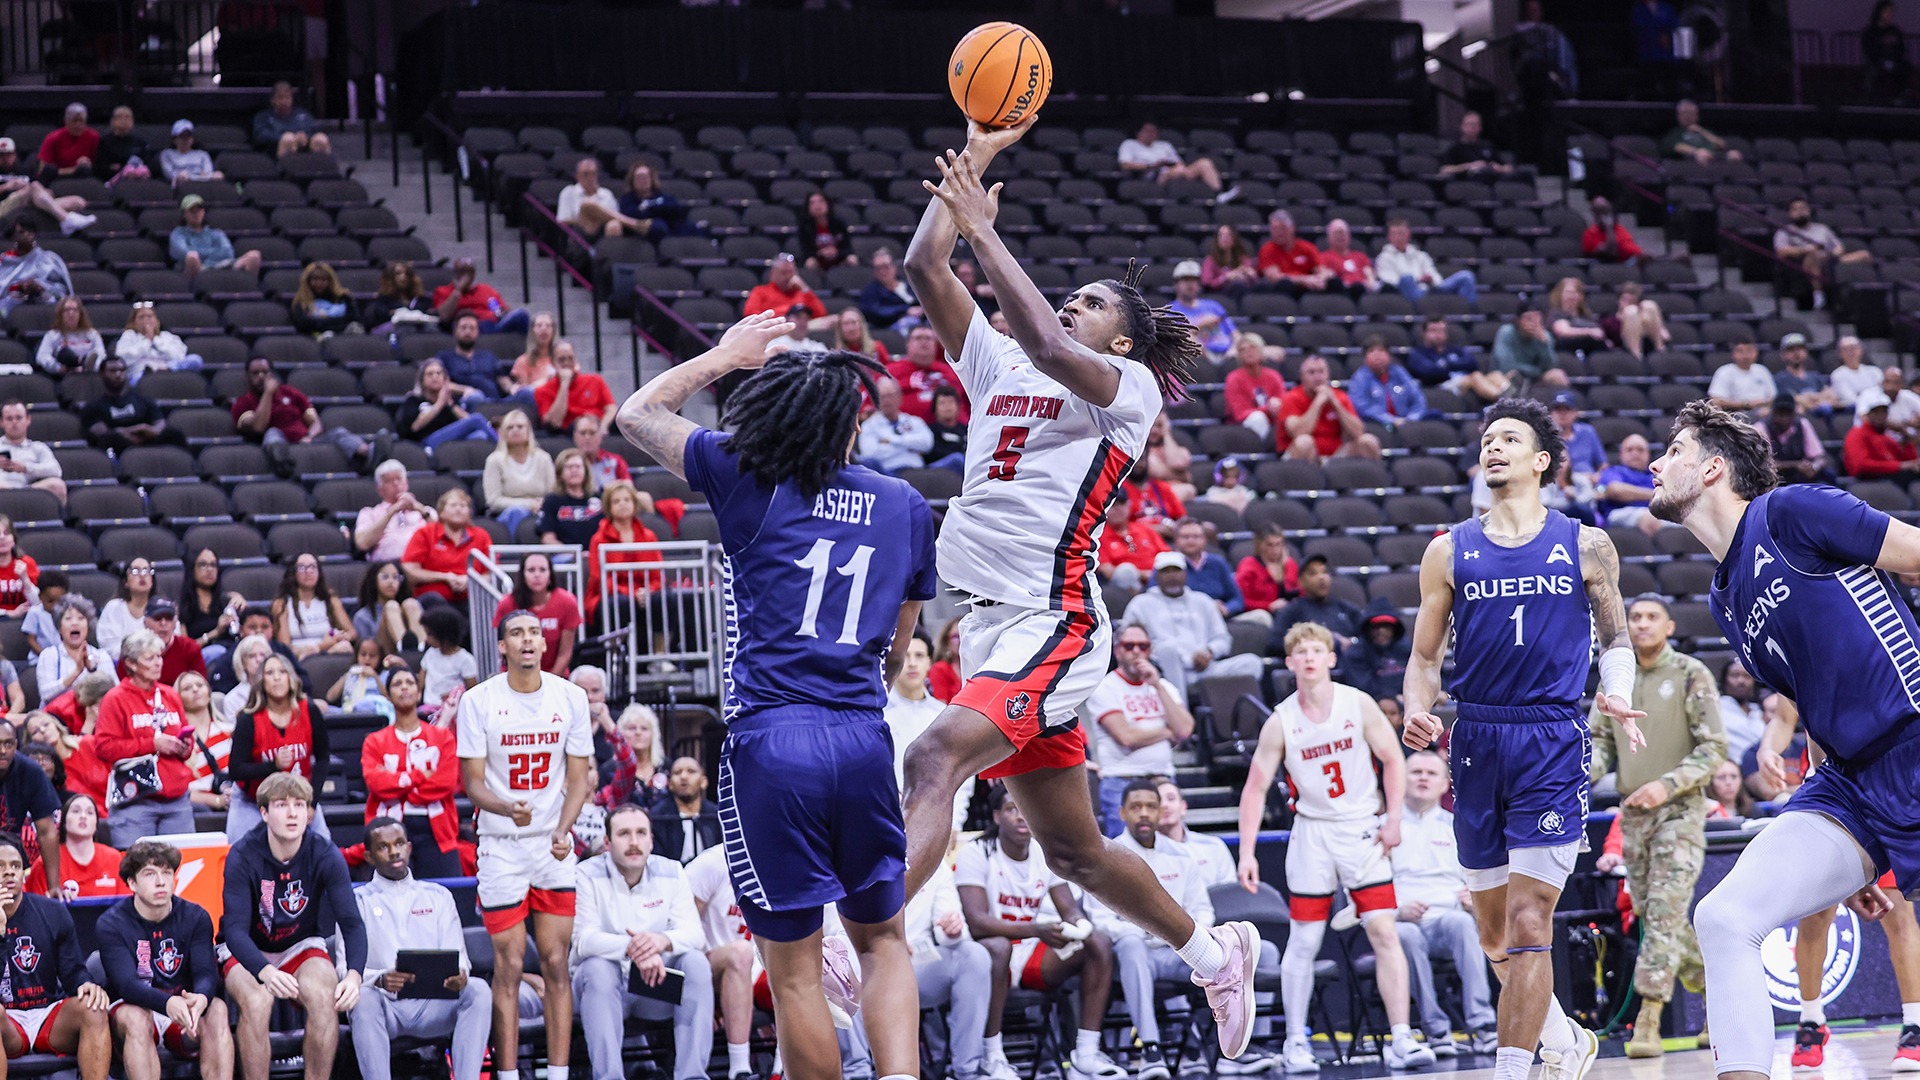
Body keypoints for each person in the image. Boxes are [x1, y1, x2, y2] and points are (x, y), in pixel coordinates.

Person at [900, 122, 1260, 1065]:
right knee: (1076, 853)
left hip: (1056, 622)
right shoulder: (997, 364)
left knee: (936, 757)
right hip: (989, 628)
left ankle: (852, 938)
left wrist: (987, 232)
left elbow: (1056, 349)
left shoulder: (1124, 388)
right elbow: (922, 266)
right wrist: (972, 159)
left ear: (1126, 337)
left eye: (1093, 301)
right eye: (1073, 296)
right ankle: (1214, 951)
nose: (1073, 304)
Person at [614, 294, 939, 1080]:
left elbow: (637, 413)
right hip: (862, 735)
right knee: (884, 940)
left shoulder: (745, 476)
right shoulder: (904, 505)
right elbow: (899, 652)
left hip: (773, 741)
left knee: (792, 971)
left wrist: (727, 355)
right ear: (851, 422)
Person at [1644, 400, 1920, 1080]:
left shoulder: (1792, 512)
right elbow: (1809, 696)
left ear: (1712, 468)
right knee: (1724, 916)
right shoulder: (1723, 597)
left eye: (1671, 451)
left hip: (1913, 736)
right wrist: (1850, 847)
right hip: (1849, 783)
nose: (1655, 462)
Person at [1401, 397, 1644, 1080]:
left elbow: (1617, 636)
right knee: (1494, 935)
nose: (1493, 447)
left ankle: (1514, 1067)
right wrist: (1418, 709)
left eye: (1509, 438)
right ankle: (1565, 1037)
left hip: (1551, 736)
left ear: (1541, 461)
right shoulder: (1447, 549)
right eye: (1486, 439)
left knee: (1531, 922)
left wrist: (1617, 692)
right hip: (1475, 736)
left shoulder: (1586, 543)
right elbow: (1423, 661)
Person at [1239, 622, 1432, 1072]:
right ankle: (1295, 1042)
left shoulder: (1357, 703)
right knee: (1304, 940)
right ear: (1289, 663)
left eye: (1316, 650)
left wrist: (1395, 817)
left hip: (1362, 828)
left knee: (1385, 931)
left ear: (1330, 658)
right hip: (1312, 833)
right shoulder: (1281, 720)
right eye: (1300, 652)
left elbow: (1391, 758)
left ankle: (1401, 1037)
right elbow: (1253, 789)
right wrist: (1247, 852)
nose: (1308, 658)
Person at [456, 607, 595, 1080]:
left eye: (535, 631)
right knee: (509, 964)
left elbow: (579, 780)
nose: (528, 640)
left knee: (557, 961)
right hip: (500, 843)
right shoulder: (477, 701)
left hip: (551, 844)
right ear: (502, 646)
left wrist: (564, 829)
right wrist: (501, 806)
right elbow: (472, 784)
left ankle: (558, 1074)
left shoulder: (571, 696)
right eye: (517, 633)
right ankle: (510, 1074)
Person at [1587, 594, 1722, 1056]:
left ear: (1668, 626)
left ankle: (1647, 1019)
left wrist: (1666, 786)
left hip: (1681, 811)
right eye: (1634, 618)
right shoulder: (1615, 681)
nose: (1641, 625)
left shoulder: (1690, 673)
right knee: (1657, 918)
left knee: (1662, 913)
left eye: (1651, 618)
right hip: (1632, 815)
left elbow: (1713, 748)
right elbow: (1601, 746)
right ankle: (1718, 999)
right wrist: (1572, 777)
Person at [956, 784, 1125, 1080]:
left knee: (1097, 942)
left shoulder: (1042, 852)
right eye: (1012, 809)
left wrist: (1080, 927)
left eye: (1025, 809)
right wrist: (1035, 928)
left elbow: (1069, 909)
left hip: (1031, 949)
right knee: (998, 947)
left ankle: (1085, 1053)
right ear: (997, 817)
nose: (1021, 817)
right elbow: (977, 922)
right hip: (986, 954)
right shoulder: (976, 852)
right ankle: (991, 1056)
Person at [1085, 779, 1232, 1077]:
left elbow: (1203, 909)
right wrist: (1147, 932)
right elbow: (1098, 918)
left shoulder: (1181, 855)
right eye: (1136, 807)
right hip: (1130, 956)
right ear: (1122, 812)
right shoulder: (1107, 857)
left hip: (1176, 953)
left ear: (1159, 812)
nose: (1143, 813)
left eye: (1150, 806)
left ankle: (1234, 1049)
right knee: (1130, 944)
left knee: (1240, 954)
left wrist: (1183, 937)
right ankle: (1151, 1047)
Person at [220, 772, 361, 1080]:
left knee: (325, 997)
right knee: (257, 1001)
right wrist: (264, 970)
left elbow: (351, 922)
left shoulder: (324, 852)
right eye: (282, 805)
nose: (293, 812)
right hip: (248, 946)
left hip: (299, 944)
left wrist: (354, 975)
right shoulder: (243, 854)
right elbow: (233, 929)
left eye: (300, 804)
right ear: (264, 812)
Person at [571, 804, 714, 1080]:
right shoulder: (585, 874)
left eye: (641, 833)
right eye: (624, 834)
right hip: (600, 992)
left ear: (651, 840)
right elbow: (583, 940)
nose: (634, 842)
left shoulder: (672, 871)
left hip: (654, 988)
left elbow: (695, 934)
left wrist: (660, 941)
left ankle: (693, 1076)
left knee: (695, 962)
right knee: (597, 968)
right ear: (608, 842)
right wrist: (632, 948)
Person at [351, 817, 489, 1080]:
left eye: (399, 843)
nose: (394, 852)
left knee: (478, 990)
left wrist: (460, 975)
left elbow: (459, 957)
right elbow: (344, 970)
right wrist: (379, 979)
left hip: (433, 1004)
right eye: (383, 847)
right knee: (362, 997)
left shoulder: (438, 896)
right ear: (368, 856)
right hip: (384, 1006)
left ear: (410, 848)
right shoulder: (356, 902)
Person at [1391, 751, 1498, 1056]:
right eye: (1415, 772)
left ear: (1444, 785)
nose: (1423, 777)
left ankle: (1483, 1025)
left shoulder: (1458, 827)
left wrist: (1473, 899)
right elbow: (1361, 889)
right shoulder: (1384, 826)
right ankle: (1435, 1029)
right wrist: (1397, 911)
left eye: (1431, 773)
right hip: (1399, 921)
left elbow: (1477, 879)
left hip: (1447, 918)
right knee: (1406, 936)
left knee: (1464, 924)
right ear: (1401, 779)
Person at [97, 840, 233, 1080]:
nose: (161, 881)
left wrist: (201, 997)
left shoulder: (196, 916)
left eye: (167, 873)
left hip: (180, 1012)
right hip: (133, 1008)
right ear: (132, 883)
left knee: (217, 1009)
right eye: (150, 874)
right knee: (136, 1018)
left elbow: (205, 972)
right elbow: (126, 986)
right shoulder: (111, 923)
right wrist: (167, 1003)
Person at [1085, 626, 1193, 837]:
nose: (1136, 651)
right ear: (1117, 651)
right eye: (1129, 646)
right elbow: (1126, 737)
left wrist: (1157, 686)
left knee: (1170, 849)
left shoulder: (1163, 687)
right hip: (1122, 782)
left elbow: (1185, 729)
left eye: (1143, 646)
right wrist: (1168, 731)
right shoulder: (1105, 687)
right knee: (1126, 856)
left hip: (1164, 781)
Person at [94, 629, 198, 846]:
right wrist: (152, 744)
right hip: (136, 803)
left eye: (159, 656)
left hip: (176, 801)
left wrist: (184, 746)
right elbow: (104, 747)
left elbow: (187, 737)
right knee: (136, 869)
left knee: (182, 871)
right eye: (150, 658)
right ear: (131, 663)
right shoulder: (115, 699)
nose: (158, 663)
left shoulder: (170, 694)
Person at [1121, 552, 1264, 702]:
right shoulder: (1140, 604)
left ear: (1185, 574)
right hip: (1164, 671)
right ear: (1156, 576)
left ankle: (1236, 716)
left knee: (1252, 663)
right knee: (1168, 649)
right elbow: (1127, 641)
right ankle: (1180, 712)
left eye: (1176, 570)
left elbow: (1222, 638)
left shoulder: (1203, 601)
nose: (1172, 576)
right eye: (1166, 571)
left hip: (1205, 669)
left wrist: (1209, 652)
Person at [227, 653, 332, 839]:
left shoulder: (309, 710)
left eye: (282, 671)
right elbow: (235, 770)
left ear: (291, 679)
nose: (276, 677)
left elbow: (323, 757)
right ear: (261, 681)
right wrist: (272, 766)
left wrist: (311, 803)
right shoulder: (248, 719)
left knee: (326, 849)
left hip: (300, 798)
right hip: (253, 801)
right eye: (270, 672)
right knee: (238, 855)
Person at [232, 356, 374, 477]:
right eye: (255, 373)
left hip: (307, 440)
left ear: (272, 374)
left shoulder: (290, 393)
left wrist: (310, 436)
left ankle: (367, 453)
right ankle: (282, 463)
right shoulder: (243, 403)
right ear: (247, 377)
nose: (261, 377)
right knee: (272, 433)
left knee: (338, 432)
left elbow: (316, 422)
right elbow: (258, 427)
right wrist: (268, 394)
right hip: (281, 442)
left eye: (265, 372)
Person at [582, 480, 663, 623]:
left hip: (644, 593)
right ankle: (616, 645)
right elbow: (599, 579)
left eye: (627, 499)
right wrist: (630, 593)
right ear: (608, 507)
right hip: (610, 595)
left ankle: (675, 645)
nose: (623, 504)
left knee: (673, 599)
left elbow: (657, 576)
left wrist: (648, 591)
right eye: (616, 501)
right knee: (622, 604)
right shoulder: (598, 539)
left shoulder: (649, 536)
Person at [1774, 199, 1871, 312]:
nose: (1800, 211)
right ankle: (1819, 297)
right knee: (1814, 255)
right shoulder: (1785, 231)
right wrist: (1806, 249)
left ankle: (1866, 295)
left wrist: (1833, 254)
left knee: (1864, 255)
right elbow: (1781, 251)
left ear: (1809, 211)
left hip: (1829, 260)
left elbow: (1839, 247)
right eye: (1796, 209)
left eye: (1803, 208)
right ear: (1790, 213)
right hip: (1803, 263)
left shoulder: (1821, 229)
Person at [492, 551, 580, 676]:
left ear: (550, 575)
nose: (537, 575)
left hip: (555, 677)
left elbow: (565, 654)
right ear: (523, 575)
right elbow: (504, 650)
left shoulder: (567, 602)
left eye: (542, 570)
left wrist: (548, 683)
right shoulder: (507, 604)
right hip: (515, 677)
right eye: (531, 570)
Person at [1279, 353, 1380, 461]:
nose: (1317, 377)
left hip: (1336, 456)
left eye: (1321, 372)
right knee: (1304, 442)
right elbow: (1298, 433)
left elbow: (1358, 432)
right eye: (1311, 372)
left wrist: (1335, 404)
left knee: (1368, 441)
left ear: (1328, 375)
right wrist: (1318, 403)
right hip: (1303, 455)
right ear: (1302, 377)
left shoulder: (1340, 397)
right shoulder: (1291, 398)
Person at [28, 791, 121, 899]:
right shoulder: (47, 862)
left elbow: (126, 905)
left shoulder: (115, 859)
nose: (83, 816)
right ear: (63, 822)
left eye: (90, 813)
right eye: (76, 811)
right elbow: (37, 908)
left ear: (96, 824)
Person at [81, 356, 182, 451]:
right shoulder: (93, 406)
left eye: (121, 370)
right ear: (102, 374)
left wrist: (152, 431)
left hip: (147, 442)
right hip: (118, 447)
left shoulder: (144, 400)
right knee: (110, 439)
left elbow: (160, 423)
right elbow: (102, 433)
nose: (118, 374)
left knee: (173, 434)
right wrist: (136, 429)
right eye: (112, 371)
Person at [1268, 554, 1364, 654]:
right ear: (1301, 582)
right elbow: (1275, 644)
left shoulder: (1345, 608)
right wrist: (1319, 644)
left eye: (1325, 572)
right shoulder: (1292, 610)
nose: (1321, 577)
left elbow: (1368, 636)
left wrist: (1352, 643)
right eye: (1313, 573)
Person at [396, 359, 496, 453]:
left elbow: (467, 421)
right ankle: (504, 448)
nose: (435, 377)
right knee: (477, 418)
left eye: (439, 373)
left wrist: (450, 404)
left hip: (452, 440)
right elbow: (415, 427)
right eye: (430, 374)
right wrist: (439, 403)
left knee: (480, 435)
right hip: (426, 443)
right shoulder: (413, 400)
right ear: (422, 380)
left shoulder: (450, 400)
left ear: (445, 379)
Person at [485, 410, 556, 538]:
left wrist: (543, 504)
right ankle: (513, 555)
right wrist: (529, 504)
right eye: (510, 427)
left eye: (520, 426)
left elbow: (553, 492)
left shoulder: (543, 458)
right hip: (508, 514)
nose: (515, 430)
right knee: (517, 512)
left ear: (529, 430)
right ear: (503, 433)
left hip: (540, 511)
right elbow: (493, 501)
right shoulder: (494, 460)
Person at [1117, 121, 1232, 199]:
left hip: (1174, 171)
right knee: (1172, 171)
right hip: (1151, 175)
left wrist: (1174, 166)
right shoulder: (1129, 144)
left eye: (1154, 131)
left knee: (1204, 163)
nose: (1151, 134)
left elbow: (1178, 162)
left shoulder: (1164, 145)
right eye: (1148, 131)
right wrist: (1151, 166)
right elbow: (1125, 165)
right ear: (1139, 132)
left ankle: (1219, 195)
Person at [1377, 217, 1477, 305]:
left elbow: (1435, 276)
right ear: (1389, 237)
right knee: (1406, 279)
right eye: (1395, 234)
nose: (1398, 237)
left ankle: (1468, 312)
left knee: (1466, 276)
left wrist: (1431, 279)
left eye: (1401, 233)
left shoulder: (1421, 255)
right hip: (1407, 293)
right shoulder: (1384, 258)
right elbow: (1390, 281)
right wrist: (1417, 280)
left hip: (1430, 289)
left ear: (1408, 234)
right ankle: (1421, 308)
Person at [270, 554, 353, 659]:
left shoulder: (330, 598)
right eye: (301, 567)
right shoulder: (282, 603)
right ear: (293, 573)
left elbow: (352, 632)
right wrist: (320, 646)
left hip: (329, 650)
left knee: (345, 647)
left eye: (313, 567)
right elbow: (285, 646)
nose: (308, 571)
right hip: (299, 654)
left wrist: (341, 636)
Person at [1406, 318, 1506, 402]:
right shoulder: (1418, 354)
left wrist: (1447, 365)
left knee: (1495, 375)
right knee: (1475, 376)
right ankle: (1504, 400)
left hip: (1464, 382)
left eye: (1441, 331)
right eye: (1433, 331)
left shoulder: (1455, 349)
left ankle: (1515, 398)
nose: (1438, 335)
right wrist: (1454, 365)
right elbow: (1429, 373)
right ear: (1424, 333)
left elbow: (1473, 364)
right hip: (1442, 387)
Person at [354, 461, 435, 565]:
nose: (395, 484)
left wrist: (420, 509)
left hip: (424, 566)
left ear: (406, 484)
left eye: (399, 479)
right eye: (388, 481)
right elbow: (363, 544)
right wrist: (391, 512)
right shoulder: (369, 513)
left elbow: (444, 536)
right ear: (380, 490)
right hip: (387, 568)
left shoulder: (425, 511)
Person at [887, 324, 969, 424]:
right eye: (918, 338)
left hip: (956, 432)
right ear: (907, 343)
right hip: (909, 433)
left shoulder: (953, 371)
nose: (924, 342)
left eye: (928, 338)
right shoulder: (891, 372)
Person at [176, 670, 232, 813]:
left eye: (200, 685)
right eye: (187, 688)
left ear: (208, 691)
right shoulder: (178, 741)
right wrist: (217, 801)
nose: (195, 689)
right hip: (197, 810)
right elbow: (178, 790)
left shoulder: (230, 732)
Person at [36, 597, 108, 707]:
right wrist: (77, 672)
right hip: (56, 718)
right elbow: (45, 694)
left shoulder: (101, 655)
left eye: (81, 618)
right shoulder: (49, 655)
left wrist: (93, 671)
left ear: (88, 626)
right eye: (68, 618)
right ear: (59, 628)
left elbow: (112, 692)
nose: (75, 623)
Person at [431, 256, 530, 336]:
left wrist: (500, 312)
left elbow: (502, 310)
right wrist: (459, 290)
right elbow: (444, 316)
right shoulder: (443, 291)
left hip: (495, 326)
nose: (466, 276)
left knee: (521, 315)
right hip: (469, 329)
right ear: (454, 274)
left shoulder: (486, 290)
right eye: (462, 271)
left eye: (469, 272)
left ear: (474, 275)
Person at [169, 194, 261, 277]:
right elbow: (182, 254)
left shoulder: (217, 233)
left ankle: (246, 288)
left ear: (204, 212)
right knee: (192, 257)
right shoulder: (178, 234)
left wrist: (207, 260)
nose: (196, 213)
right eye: (192, 210)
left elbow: (228, 253)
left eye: (199, 209)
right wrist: (213, 253)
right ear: (184, 214)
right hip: (195, 270)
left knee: (254, 256)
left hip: (221, 266)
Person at [535, 341, 616, 434]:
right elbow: (554, 422)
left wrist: (603, 425)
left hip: (598, 425)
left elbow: (611, 409)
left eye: (571, 358)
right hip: (571, 430)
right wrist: (564, 384)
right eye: (562, 360)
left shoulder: (595, 380)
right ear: (553, 363)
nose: (567, 363)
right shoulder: (542, 391)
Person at [857, 378, 935, 474]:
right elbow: (870, 454)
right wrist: (910, 448)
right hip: (888, 474)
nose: (886, 400)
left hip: (918, 471)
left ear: (899, 396)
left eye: (890, 395)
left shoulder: (914, 421)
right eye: (882, 397)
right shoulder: (869, 426)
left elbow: (927, 443)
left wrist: (891, 440)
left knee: (956, 460)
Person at [1349, 336, 1429, 428]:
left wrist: (1412, 419)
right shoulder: (1360, 378)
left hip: (1406, 422)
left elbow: (1418, 399)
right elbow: (1361, 407)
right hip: (1376, 425)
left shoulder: (1399, 372)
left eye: (1381, 350)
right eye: (1371, 351)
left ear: (1389, 356)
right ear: (1365, 359)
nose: (1377, 355)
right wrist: (1391, 420)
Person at [0, 217, 71, 318]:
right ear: (13, 237)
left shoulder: (48, 259)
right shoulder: (4, 261)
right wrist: (16, 287)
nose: (27, 234)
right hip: (10, 309)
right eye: (21, 232)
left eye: (30, 231)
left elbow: (62, 291)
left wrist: (40, 286)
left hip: (45, 305)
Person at [1758, 393, 1835, 485]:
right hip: (1774, 478)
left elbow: (1820, 456)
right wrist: (1795, 465)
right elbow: (1763, 465)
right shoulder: (1761, 428)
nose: (1784, 419)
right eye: (1780, 414)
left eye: (1788, 414)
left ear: (1794, 413)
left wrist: (1814, 467)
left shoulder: (1802, 424)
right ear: (1772, 413)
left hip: (1799, 476)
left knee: (1828, 475)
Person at [353, 562, 425, 657]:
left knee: (411, 603)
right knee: (391, 606)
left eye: (395, 577)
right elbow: (365, 649)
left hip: (417, 656)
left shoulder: (409, 606)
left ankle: (421, 651)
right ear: (374, 580)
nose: (391, 582)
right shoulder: (363, 616)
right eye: (385, 577)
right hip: (384, 656)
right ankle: (404, 651)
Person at [114, 302, 199, 382]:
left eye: (150, 316)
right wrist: (146, 341)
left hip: (167, 371)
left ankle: (163, 368)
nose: (146, 320)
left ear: (156, 320)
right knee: (136, 379)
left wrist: (156, 341)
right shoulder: (129, 335)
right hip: (141, 374)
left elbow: (179, 357)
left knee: (195, 359)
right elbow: (122, 359)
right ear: (134, 322)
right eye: (141, 317)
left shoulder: (167, 336)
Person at [1168, 260, 1235, 361]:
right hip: (1200, 357)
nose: (1190, 284)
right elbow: (1176, 340)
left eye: (1194, 280)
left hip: (1228, 353)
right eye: (1186, 280)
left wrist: (1234, 349)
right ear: (1176, 284)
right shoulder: (1170, 311)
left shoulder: (1214, 306)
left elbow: (1235, 334)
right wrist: (1201, 325)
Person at [1846, 388, 1920, 478]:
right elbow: (1861, 465)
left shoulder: (1886, 436)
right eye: (1876, 412)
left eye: (1883, 411)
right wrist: (1899, 466)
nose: (1880, 416)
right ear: (1868, 414)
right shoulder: (1857, 434)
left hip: (1890, 479)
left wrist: (1905, 436)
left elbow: (1910, 460)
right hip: (1868, 482)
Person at [742, 252, 829, 327]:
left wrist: (805, 289)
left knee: (832, 320)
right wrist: (788, 316)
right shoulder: (760, 291)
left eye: (791, 272)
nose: (788, 276)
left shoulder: (802, 292)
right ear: (772, 274)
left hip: (801, 328)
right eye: (784, 273)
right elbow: (751, 315)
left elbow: (821, 314)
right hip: (774, 327)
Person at [539, 448, 603, 548]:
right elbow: (548, 538)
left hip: (596, 554)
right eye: (568, 467)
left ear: (585, 471)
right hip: (565, 556)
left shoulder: (600, 498)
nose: (574, 470)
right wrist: (573, 555)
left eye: (578, 466)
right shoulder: (552, 500)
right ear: (560, 474)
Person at [1257, 210, 1331, 295]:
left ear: (1292, 228)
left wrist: (1320, 278)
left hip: (1309, 288)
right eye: (1275, 229)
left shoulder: (1307, 247)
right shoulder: (1267, 249)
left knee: (1333, 283)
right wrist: (1304, 280)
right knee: (1285, 284)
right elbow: (1275, 277)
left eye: (1282, 228)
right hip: (1284, 291)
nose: (1279, 233)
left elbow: (1322, 270)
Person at [1492, 308, 1568, 389]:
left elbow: (1551, 366)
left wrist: (1543, 344)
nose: (1533, 323)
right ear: (1518, 320)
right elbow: (1506, 366)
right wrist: (1537, 371)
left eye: (1537, 318)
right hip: (1508, 375)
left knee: (1557, 375)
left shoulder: (1544, 336)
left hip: (1536, 377)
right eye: (1528, 318)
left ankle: (1560, 401)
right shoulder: (1506, 332)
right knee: (1512, 375)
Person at [1237, 525, 1299, 622]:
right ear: (1259, 545)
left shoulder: (1290, 564)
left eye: (1279, 544)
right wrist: (1268, 606)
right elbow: (1240, 601)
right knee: (1264, 617)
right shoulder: (1249, 565)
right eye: (1269, 545)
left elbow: (1301, 592)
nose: (1275, 549)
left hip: (1286, 612)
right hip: (1259, 614)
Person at [557, 157, 631, 239]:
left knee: (614, 225)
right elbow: (563, 220)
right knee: (587, 205)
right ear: (577, 176)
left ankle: (611, 251)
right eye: (585, 174)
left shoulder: (606, 194)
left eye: (593, 174)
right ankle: (633, 223)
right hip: (579, 233)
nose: (590, 178)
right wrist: (589, 219)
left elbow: (616, 217)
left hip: (603, 231)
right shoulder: (569, 192)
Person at [419, 607, 477, 709]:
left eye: (429, 634)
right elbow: (421, 682)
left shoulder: (465, 660)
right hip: (428, 708)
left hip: (452, 710)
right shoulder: (430, 653)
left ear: (444, 635)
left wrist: (455, 696)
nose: (426, 639)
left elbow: (472, 692)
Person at [252, 82, 329, 157]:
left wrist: (305, 137)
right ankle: (285, 169)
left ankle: (321, 169)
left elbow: (314, 130)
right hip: (275, 150)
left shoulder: (303, 115)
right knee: (288, 139)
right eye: (280, 97)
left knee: (320, 139)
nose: (284, 101)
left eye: (287, 97)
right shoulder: (263, 116)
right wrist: (289, 137)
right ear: (272, 100)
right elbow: (261, 136)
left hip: (304, 148)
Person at [617, 162, 692, 239]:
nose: (643, 180)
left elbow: (676, 209)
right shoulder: (627, 200)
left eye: (646, 177)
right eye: (639, 177)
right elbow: (630, 214)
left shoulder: (663, 197)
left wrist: (649, 209)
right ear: (632, 181)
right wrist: (657, 210)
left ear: (651, 179)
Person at [35, 295, 105, 375]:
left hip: (88, 375)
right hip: (63, 376)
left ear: (80, 314)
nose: (71, 314)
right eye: (67, 310)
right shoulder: (52, 335)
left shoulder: (92, 334)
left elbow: (101, 355)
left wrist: (90, 368)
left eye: (75, 310)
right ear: (60, 314)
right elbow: (42, 356)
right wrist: (58, 368)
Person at [1707, 335, 1776, 414]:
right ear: (1733, 354)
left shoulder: (1762, 370)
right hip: (1735, 414)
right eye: (1740, 351)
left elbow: (1772, 397)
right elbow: (1716, 401)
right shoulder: (1724, 372)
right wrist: (1745, 405)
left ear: (1756, 352)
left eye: (1749, 351)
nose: (1745, 356)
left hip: (1763, 414)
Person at [288, 262, 360, 337]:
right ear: (308, 281)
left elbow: (354, 320)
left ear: (330, 281)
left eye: (323, 280)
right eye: (315, 279)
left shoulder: (344, 297)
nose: (319, 284)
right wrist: (335, 321)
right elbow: (302, 324)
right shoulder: (301, 301)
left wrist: (321, 322)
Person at [1661, 99, 1741, 164]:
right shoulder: (1675, 132)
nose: (1688, 116)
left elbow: (1721, 144)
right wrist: (1696, 152)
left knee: (1733, 155)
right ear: (1678, 116)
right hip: (1688, 165)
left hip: (1713, 162)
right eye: (1685, 113)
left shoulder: (1705, 131)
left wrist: (1701, 131)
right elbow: (1676, 147)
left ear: (1697, 115)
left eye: (1691, 113)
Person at [365, 259, 435, 332]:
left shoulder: (421, 300)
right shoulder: (382, 300)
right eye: (398, 274)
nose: (403, 277)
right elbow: (382, 316)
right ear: (390, 277)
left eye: (407, 274)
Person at [1605, 282, 1670, 360]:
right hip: (1625, 351)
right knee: (1631, 312)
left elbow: (1667, 337)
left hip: (1649, 347)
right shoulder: (1610, 320)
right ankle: (1637, 356)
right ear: (1619, 300)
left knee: (1650, 305)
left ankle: (1661, 352)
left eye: (1632, 301)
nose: (1627, 303)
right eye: (1625, 300)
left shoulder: (1646, 318)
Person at [1865, 0, 1912, 104]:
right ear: (1879, 12)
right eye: (1887, 11)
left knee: (1905, 68)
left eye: (1892, 12)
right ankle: (1871, 97)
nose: (1890, 14)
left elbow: (1901, 49)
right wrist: (1882, 61)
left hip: (1895, 62)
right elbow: (1869, 50)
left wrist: (1895, 60)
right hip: (1877, 63)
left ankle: (1902, 94)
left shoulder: (1895, 31)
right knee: (1874, 73)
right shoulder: (1870, 31)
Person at [1438, 111, 1512, 177]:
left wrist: (1499, 168)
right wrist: (1469, 166)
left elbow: (1508, 167)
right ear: (1462, 127)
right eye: (1470, 124)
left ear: (1480, 127)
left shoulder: (1487, 146)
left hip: (1490, 181)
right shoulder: (1455, 148)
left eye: (1476, 124)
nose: (1473, 127)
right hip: (1467, 185)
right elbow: (1445, 169)